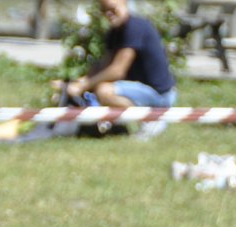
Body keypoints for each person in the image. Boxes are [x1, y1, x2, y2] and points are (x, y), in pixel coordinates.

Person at [51, 0, 173, 137]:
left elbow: (117, 71)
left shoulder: (135, 27)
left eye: (112, 8)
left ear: (124, 3)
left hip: (159, 94)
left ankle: (151, 121)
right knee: (98, 86)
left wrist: (82, 86)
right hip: (138, 88)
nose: (108, 14)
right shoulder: (114, 32)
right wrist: (76, 83)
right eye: (104, 10)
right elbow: (104, 68)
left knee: (104, 91)